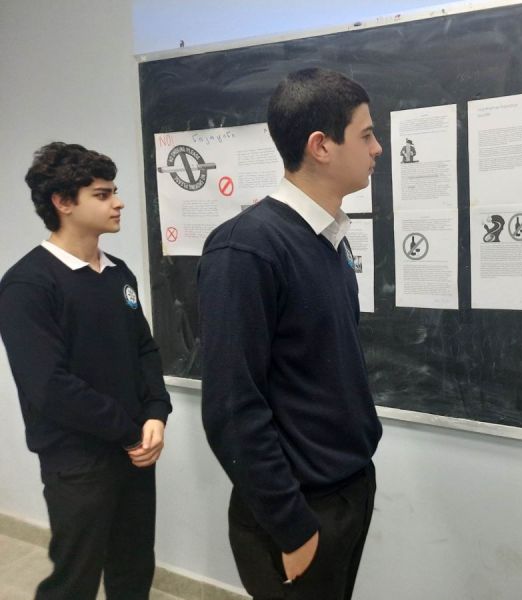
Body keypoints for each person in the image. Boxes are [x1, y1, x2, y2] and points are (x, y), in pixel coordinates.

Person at [198, 68, 383, 600]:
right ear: (321, 146)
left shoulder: (329, 238)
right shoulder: (246, 249)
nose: (377, 148)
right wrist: (290, 523)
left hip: (347, 488)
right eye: (366, 134)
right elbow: (232, 406)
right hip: (298, 510)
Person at [0, 142, 171, 600]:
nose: (118, 203)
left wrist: (156, 413)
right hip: (77, 463)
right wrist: (130, 431)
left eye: (114, 191)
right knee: (73, 581)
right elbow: (49, 387)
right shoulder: (27, 284)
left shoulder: (118, 273)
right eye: (102, 194)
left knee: (134, 570)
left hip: (134, 453)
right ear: (63, 202)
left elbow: (144, 350)